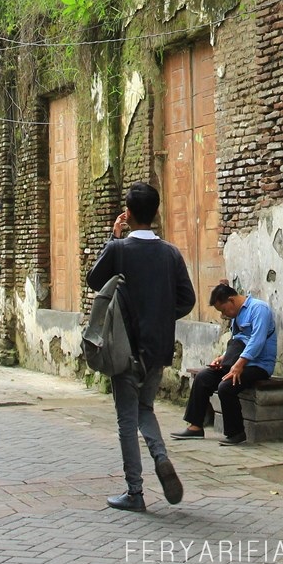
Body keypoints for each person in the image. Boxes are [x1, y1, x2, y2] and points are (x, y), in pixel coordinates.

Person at [85, 182, 196, 512]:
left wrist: (114, 237)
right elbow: (187, 300)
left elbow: (94, 280)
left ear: (128, 214)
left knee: (125, 420)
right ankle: (160, 457)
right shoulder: (170, 253)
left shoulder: (120, 250)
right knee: (144, 409)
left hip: (125, 350)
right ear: (157, 213)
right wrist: (163, 315)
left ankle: (135, 492)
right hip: (158, 350)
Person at [171, 282, 276, 445]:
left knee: (226, 386)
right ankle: (195, 427)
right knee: (203, 377)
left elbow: (257, 340)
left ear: (231, 300)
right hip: (239, 362)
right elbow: (237, 341)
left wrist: (238, 364)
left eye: (223, 310)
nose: (223, 315)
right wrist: (223, 358)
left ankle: (236, 433)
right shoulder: (237, 316)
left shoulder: (259, 309)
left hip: (258, 365)